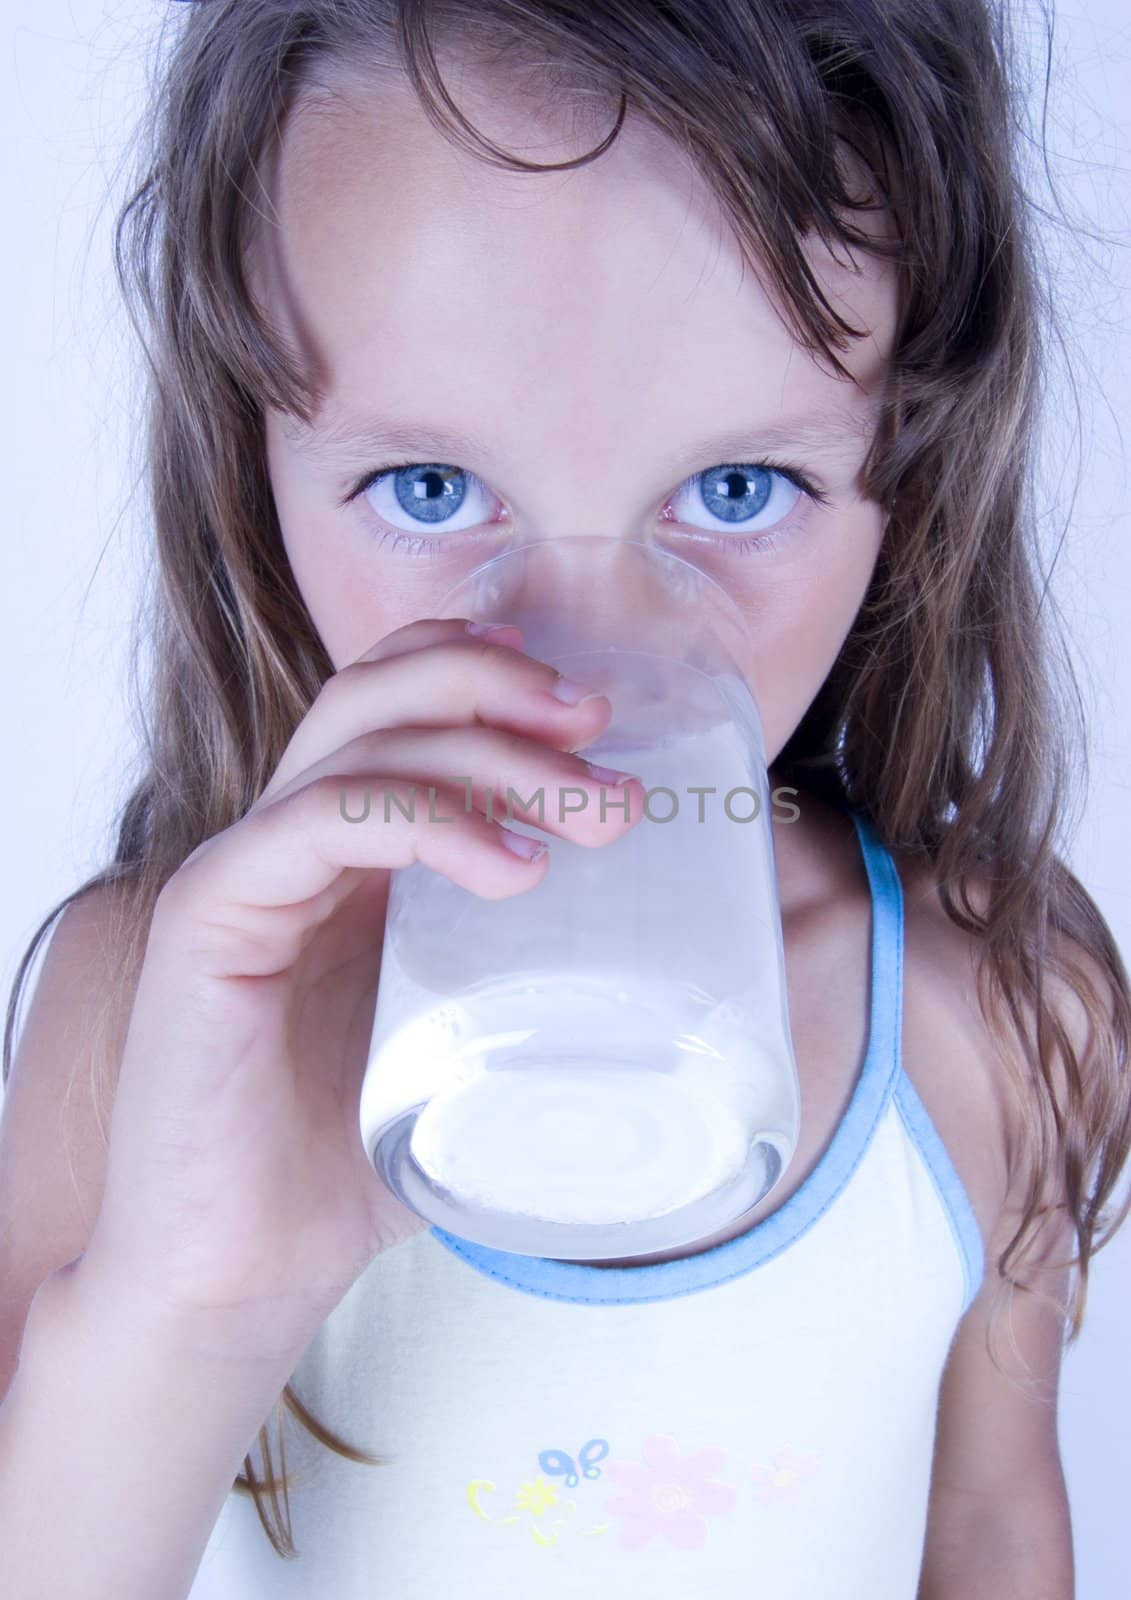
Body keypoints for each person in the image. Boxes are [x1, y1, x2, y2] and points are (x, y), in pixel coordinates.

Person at [1, 0, 1128, 1594]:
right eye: (432, 489)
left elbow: (996, 1531)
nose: (585, 667)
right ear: (252, 464)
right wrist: (195, 1300)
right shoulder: (149, 1017)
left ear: (907, 464)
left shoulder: (1001, 1014)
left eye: (736, 491)